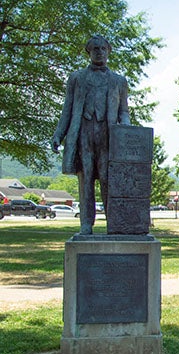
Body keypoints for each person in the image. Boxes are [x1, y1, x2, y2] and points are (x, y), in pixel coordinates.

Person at [51, 35, 130, 234]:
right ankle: (86, 224)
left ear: (108, 51)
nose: (99, 52)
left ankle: (114, 223)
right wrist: (58, 135)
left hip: (108, 135)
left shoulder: (119, 81)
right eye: (95, 48)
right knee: (85, 180)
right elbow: (67, 109)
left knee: (107, 179)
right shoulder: (76, 78)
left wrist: (127, 132)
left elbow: (124, 112)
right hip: (83, 133)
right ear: (89, 52)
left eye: (103, 48)